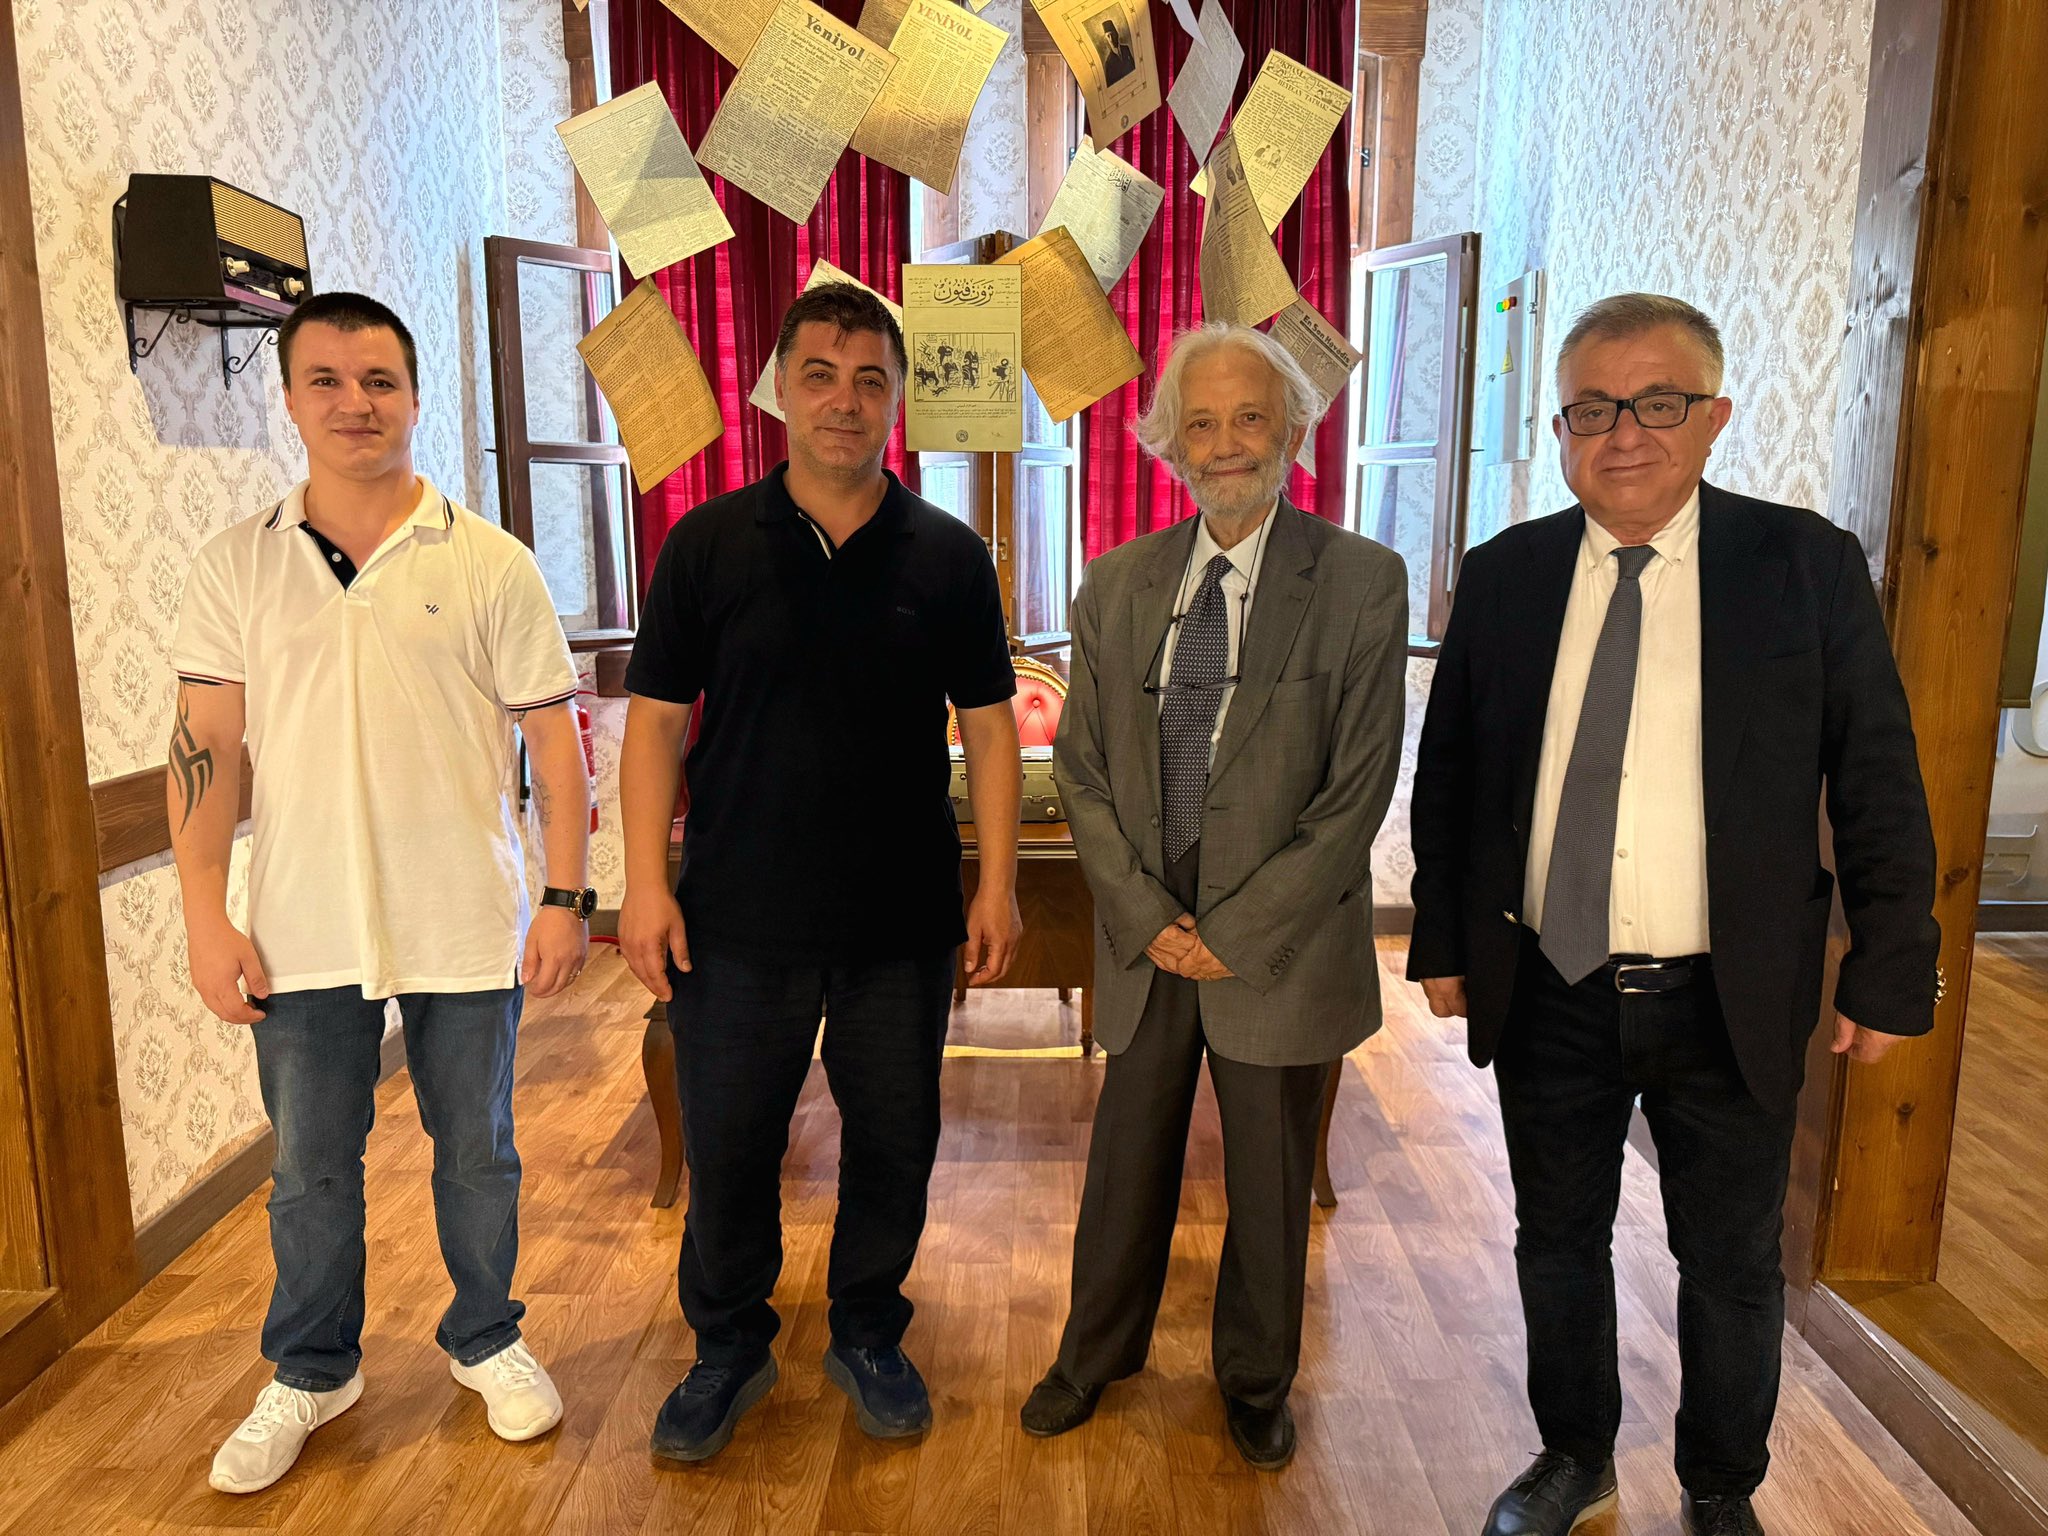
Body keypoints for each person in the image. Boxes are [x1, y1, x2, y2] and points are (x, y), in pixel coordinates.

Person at [1407, 294, 1941, 1536]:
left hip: (1727, 990)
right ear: (1557, 431)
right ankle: (1571, 1456)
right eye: (1592, 410)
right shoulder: (1504, 576)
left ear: (1713, 416)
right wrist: (1442, 940)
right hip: (1549, 981)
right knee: (1555, 1238)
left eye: (1657, 403)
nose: (1624, 435)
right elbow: (1452, 780)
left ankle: (1718, 1484)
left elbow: (1875, 777)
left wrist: (1889, 968)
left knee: (1730, 1259)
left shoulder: (1801, 566)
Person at [170, 292, 591, 1495]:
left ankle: (487, 1337)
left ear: (413, 397)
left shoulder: (487, 560)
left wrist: (564, 895)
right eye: (327, 380)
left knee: (478, 1152)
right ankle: (312, 1368)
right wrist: (205, 915)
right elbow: (204, 746)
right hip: (298, 922)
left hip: (462, 913)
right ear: (289, 398)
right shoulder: (237, 563)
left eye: (378, 382)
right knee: (309, 1166)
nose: (354, 404)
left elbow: (554, 744)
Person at [618, 283, 1022, 1463]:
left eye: (868, 380)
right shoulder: (706, 545)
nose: (844, 401)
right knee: (731, 1145)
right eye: (820, 375)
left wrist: (995, 884)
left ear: (895, 399)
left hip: (900, 920)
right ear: (780, 391)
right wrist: (642, 881)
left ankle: (867, 1331)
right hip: (733, 917)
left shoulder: (947, 555)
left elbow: (989, 727)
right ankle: (727, 1345)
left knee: (895, 1142)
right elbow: (654, 724)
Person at [1019, 322, 1407, 1469]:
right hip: (1146, 933)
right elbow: (1081, 771)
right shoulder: (1117, 582)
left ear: (1291, 429)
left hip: (1276, 942)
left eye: (1248, 418)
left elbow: (1354, 791)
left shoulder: (1358, 582)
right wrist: (1148, 918)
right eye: (1201, 422)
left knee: (1270, 1176)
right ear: (1168, 443)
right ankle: (1090, 1357)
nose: (1225, 442)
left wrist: (1231, 933)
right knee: (1123, 1164)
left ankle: (1254, 1380)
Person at [1097, 16, 1136, 84]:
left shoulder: (1126, 49)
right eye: (1108, 36)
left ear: (1117, 34)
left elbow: (1134, 67)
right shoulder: (1108, 63)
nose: (1111, 39)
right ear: (1106, 39)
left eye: (1112, 34)